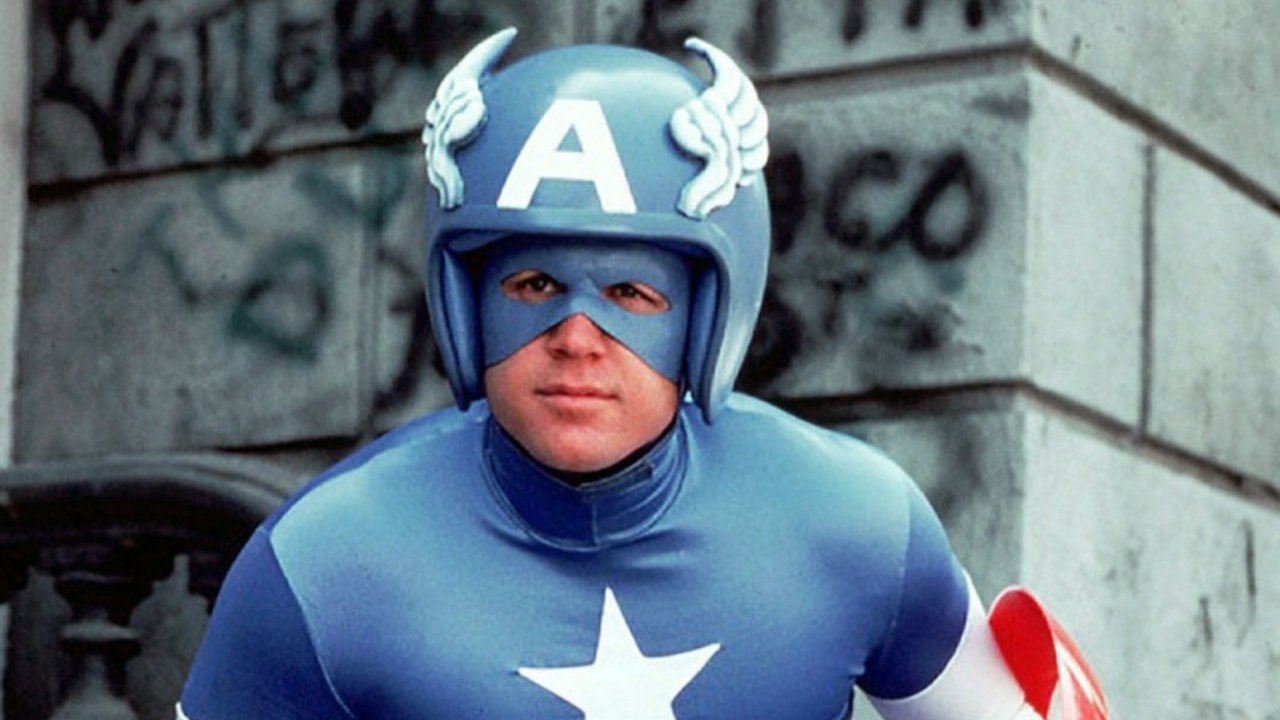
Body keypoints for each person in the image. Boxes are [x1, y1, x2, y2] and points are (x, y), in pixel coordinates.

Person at [178, 28, 1107, 720]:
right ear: (466, 300)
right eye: (534, 285)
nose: (576, 338)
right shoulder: (322, 565)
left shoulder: (859, 524)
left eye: (631, 291)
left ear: (709, 311)